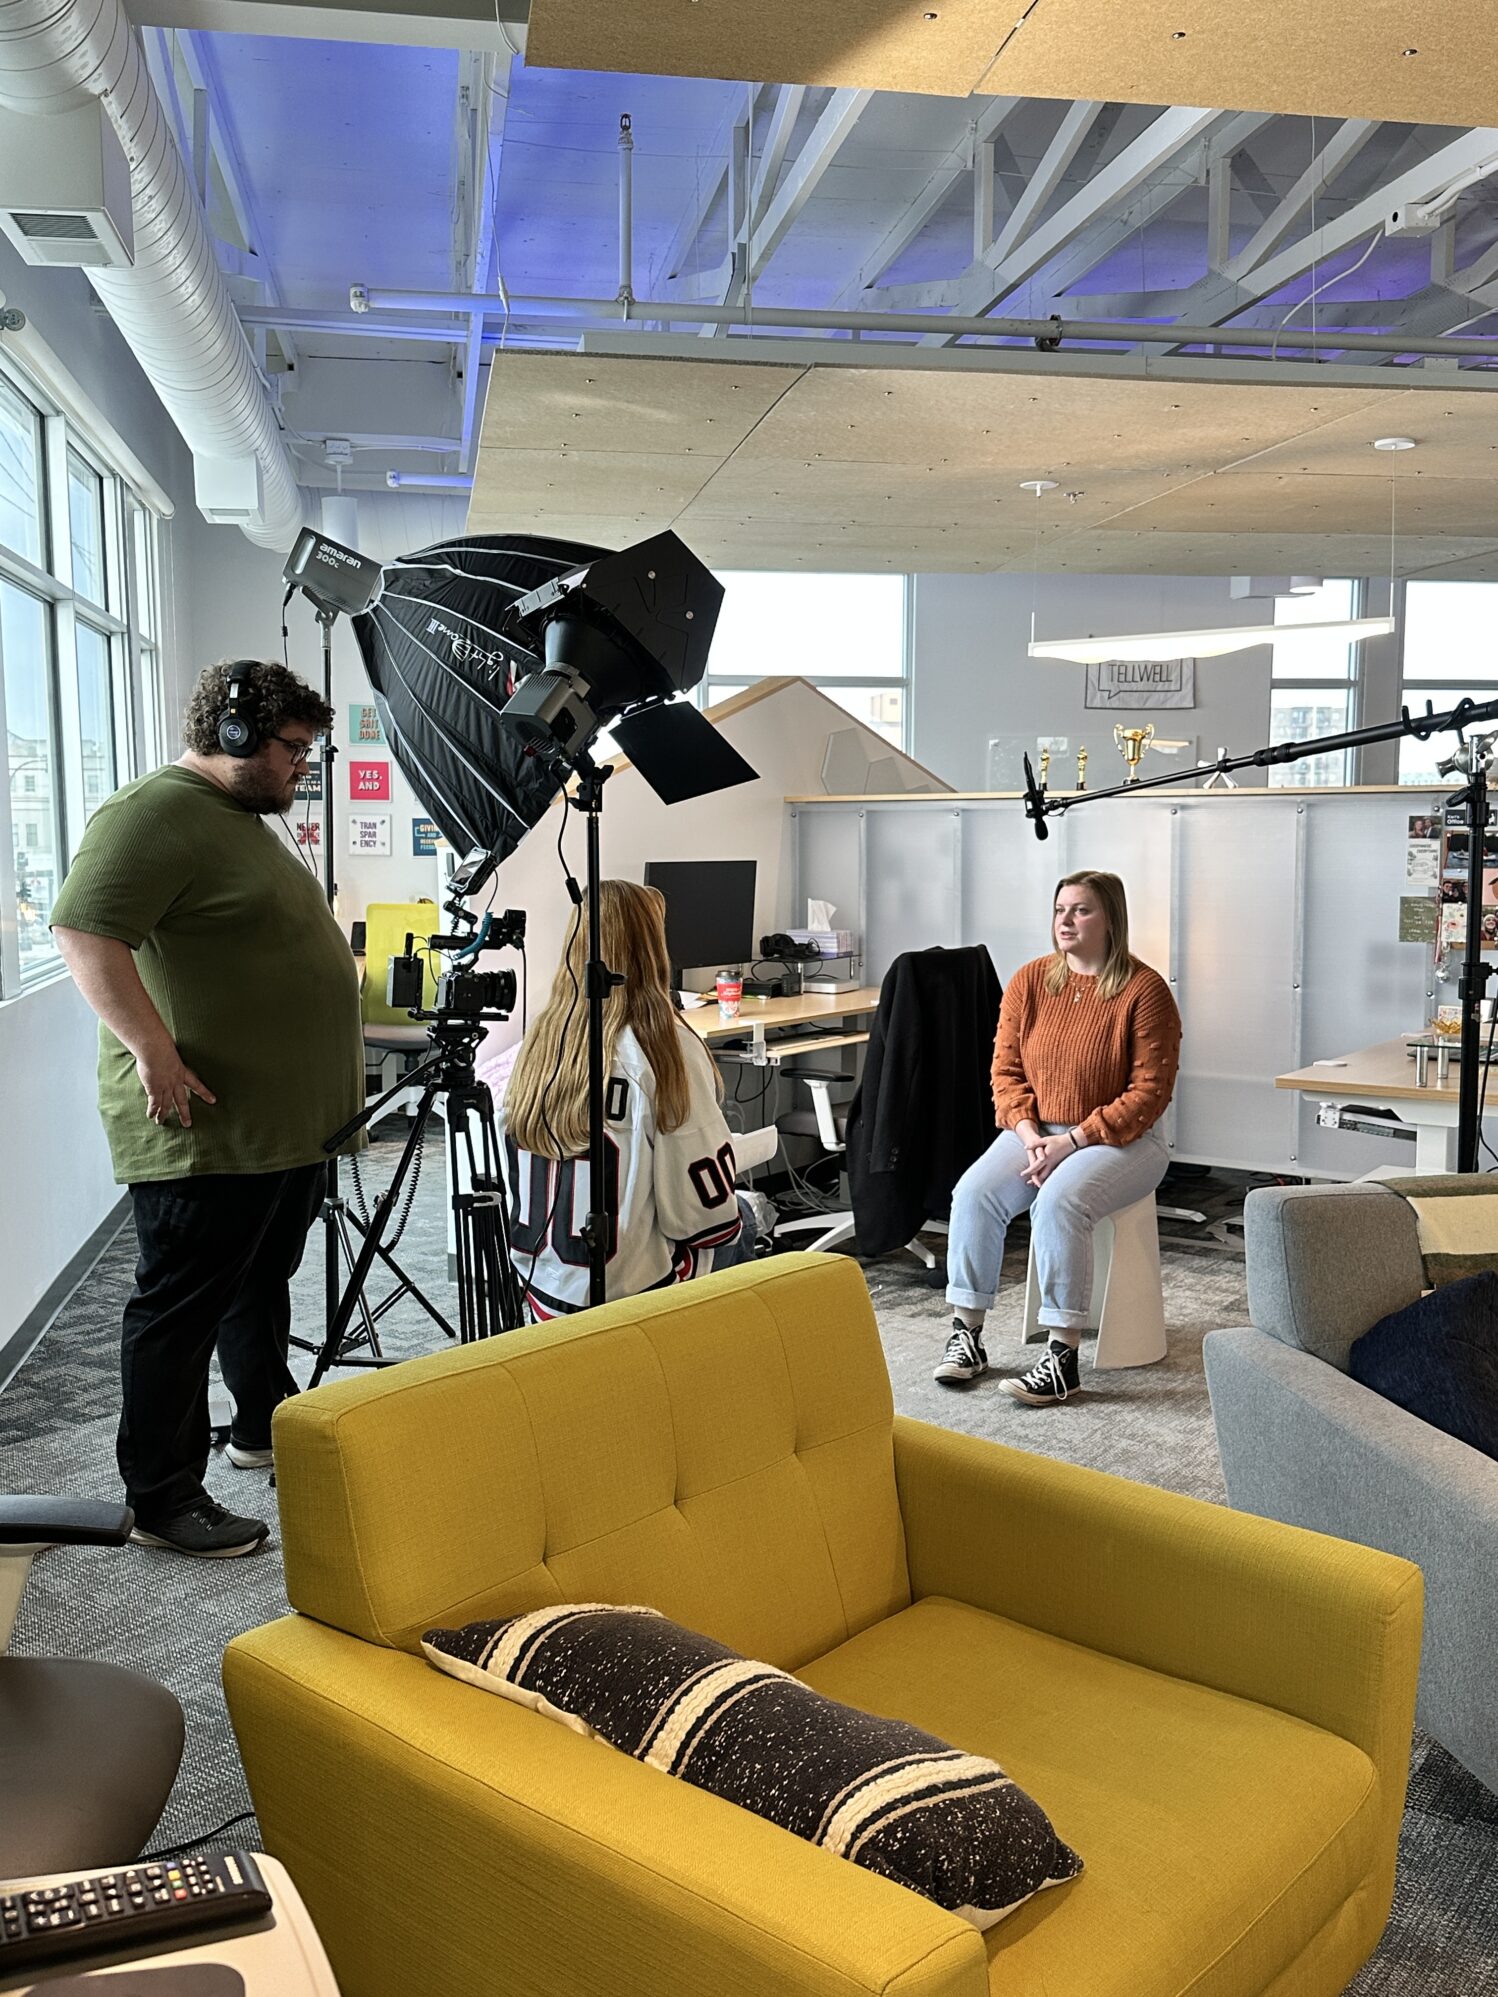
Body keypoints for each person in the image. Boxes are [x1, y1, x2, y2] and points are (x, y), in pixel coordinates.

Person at [51, 660, 363, 1558]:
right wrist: (153, 1048)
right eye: (293, 748)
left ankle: (259, 1424)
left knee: (256, 1284)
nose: (302, 766)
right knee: (180, 1308)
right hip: (208, 1128)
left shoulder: (238, 819)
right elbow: (83, 928)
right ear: (234, 736)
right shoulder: (151, 812)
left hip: (278, 1130)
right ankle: (163, 1496)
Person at [935, 869, 1181, 1405]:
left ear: (1110, 919)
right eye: (1059, 910)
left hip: (1125, 1141)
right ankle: (967, 1333)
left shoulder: (1145, 991)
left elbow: (1149, 1095)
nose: (1065, 921)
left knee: (1059, 1203)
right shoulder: (1030, 981)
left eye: (1081, 910)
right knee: (973, 1194)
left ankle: (1062, 1356)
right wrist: (1029, 1134)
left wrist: (1071, 1142)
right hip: (1034, 1131)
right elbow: (1005, 1074)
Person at [499, 879, 757, 1316]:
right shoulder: (663, 1049)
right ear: (650, 949)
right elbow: (701, 1216)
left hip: (542, 1289)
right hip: (629, 1299)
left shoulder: (538, 1042)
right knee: (746, 1220)